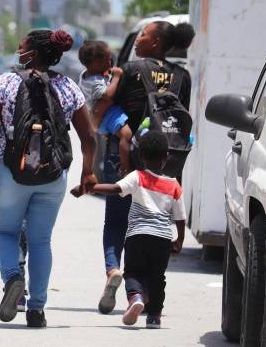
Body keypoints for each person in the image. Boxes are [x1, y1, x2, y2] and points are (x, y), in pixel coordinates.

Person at [0, 29, 98, 328]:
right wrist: (88, 171)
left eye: (22, 45)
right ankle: (36, 310)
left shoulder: (6, 82)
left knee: (6, 233)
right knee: (41, 240)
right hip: (53, 174)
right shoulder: (68, 87)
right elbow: (90, 136)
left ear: (32, 53)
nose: (18, 49)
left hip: (11, 173)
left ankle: (13, 279)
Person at [97, 21, 194, 315]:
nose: (138, 39)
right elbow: (181, 119)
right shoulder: (182, 76)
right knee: (153, 226)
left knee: (116, 222)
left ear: (156, 43)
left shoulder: (131, 69)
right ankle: (146, 293)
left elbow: (108, 105)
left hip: (125, 157)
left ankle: (114, 269)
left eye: (143, 35)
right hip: (163, 162)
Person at [74, 131, 185, 329]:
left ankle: (135, 298)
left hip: (137, 236)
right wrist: (179, 241)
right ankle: (154, 316)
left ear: (141, 157)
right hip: (161, 239)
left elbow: (115, 189)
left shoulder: (138, 177)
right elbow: (180, 218)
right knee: (157, 278)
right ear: (166, 157)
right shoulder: (174, 185)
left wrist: (89, 188)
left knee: (133, 272)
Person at [78, 40, 132, 176]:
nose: (111, 62)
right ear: (96, 63)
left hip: (101, 116)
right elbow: (107, 95)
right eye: (108, 59)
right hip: (106, 115)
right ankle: (126, 168)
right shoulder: (94, 82)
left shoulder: (86, 74)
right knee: (127, 135)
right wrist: (116, 77)